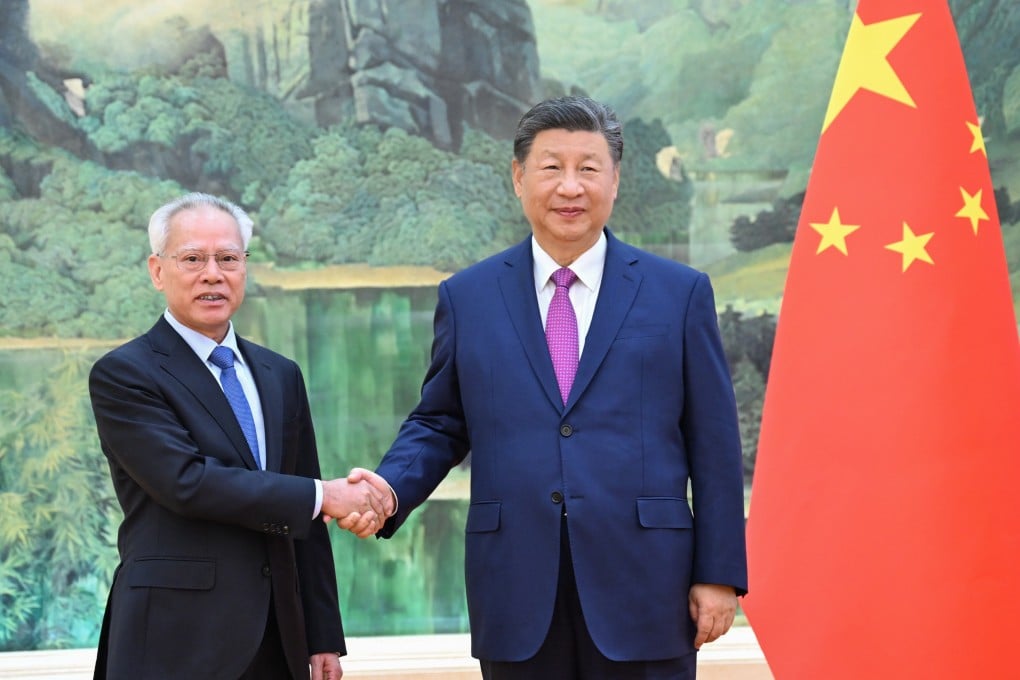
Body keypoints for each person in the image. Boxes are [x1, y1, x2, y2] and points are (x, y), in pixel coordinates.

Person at [345, 95, 748, 678]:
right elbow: (440, 421)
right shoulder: (469, 297)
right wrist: (387, 488)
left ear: (615, 179)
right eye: (551, 167)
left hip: (647, 586)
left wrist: (718, 573)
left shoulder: (678, 293)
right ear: (518, 177)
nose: (570, 187)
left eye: (588, 167)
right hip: (516, 586)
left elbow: (713, 443)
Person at [89, 193, 392, 680]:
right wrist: (326, 495)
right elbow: (186, 482)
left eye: (228, 258)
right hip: (173, 639)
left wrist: (322, 637)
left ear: (244, 267)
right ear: (157, 270)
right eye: (193, 259)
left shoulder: (280, 374)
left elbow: (306, 517)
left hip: (279, 638)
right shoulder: (125, 374)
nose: (213, 273)